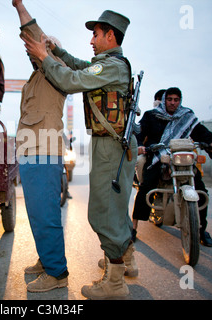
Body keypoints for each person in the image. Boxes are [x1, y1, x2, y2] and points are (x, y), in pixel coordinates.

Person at [21, 9, 138, 299]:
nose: (91, 41)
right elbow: (75, 65)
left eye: (95, 35)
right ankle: (124, 262)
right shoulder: (106, 65)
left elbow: (71, 79)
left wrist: (46, 55)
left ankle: (114, 283)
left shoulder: (112, 66)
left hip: (112, 146)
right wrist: (54, 49)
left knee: (103, 213)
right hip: (109, 144)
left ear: (110, 35)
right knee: (114, 208)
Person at [12, 0, 69, 293]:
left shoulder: (55, 68)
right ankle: (48, 260)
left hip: (44, 150)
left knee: (45, 212)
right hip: (32, 149)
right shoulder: (36, 77)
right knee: (36, 211)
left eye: (38, 48)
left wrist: (19, 6)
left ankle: (57, 273)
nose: (30, 50)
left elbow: (34, 35)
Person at [131, 87, 212, 246]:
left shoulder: (187, 116)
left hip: (181, 158)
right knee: (145, 187)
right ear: (164, 100)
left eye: (176, 100)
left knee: (200, 190)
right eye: (170, 99)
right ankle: (133, 228)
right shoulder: (151, 115)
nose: (173, 103)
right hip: (158, 157)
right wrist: (139, 145)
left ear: (180, 101)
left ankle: (201, 230)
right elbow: (139, 132)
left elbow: (201, 133)